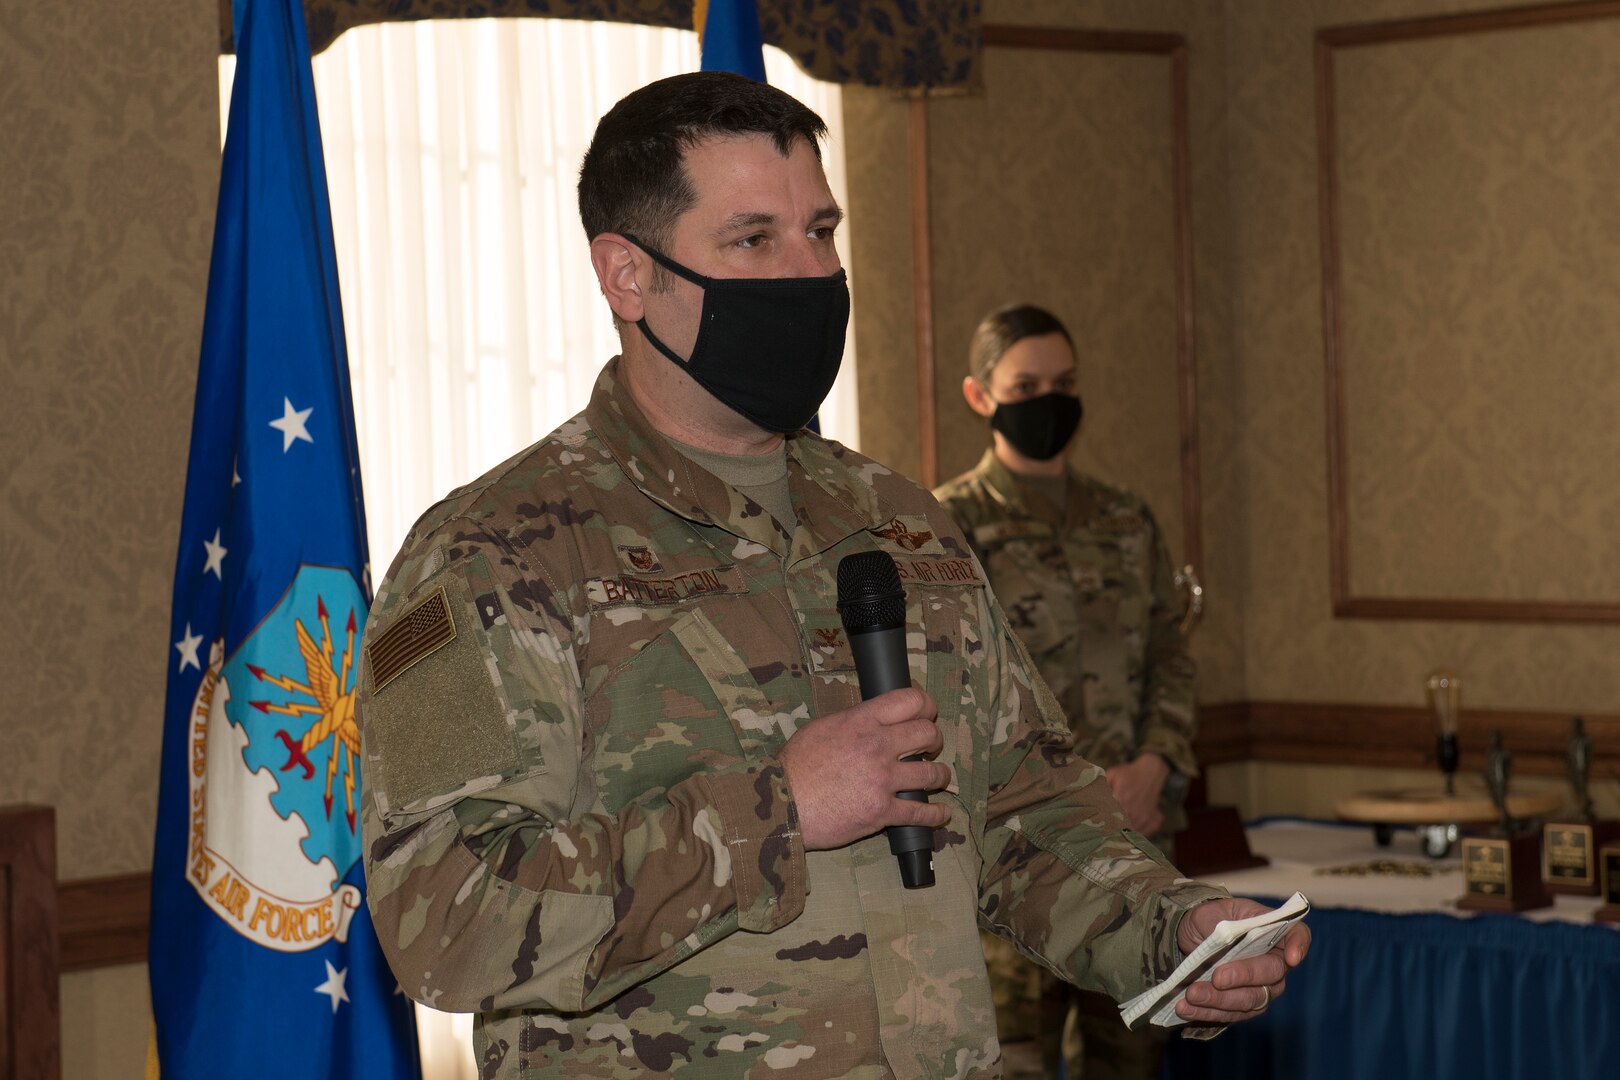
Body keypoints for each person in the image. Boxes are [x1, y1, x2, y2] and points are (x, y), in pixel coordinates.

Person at [356, 73, 1307, 1079]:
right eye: (754, 240)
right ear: (628, 276)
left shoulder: (899, 522)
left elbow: (1027, 810)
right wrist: (777, 813)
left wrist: (1172, 930)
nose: (812, 275)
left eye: (823, 231)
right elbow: (444, 918)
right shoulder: (481, 557)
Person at [934, 303, 1201, 1079]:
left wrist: (1156, 764)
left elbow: (1170, 653)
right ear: (981, 396)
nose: (1050, 399)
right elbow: (953, 689)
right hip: (1012, 855)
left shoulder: (1126, 516)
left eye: (1065, 382)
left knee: (1130, 1061)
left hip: (1136, 840)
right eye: (1027, 384)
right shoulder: (946, 525)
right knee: (1010, 1063)